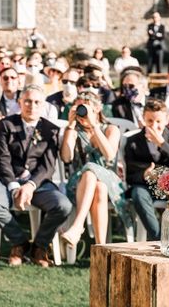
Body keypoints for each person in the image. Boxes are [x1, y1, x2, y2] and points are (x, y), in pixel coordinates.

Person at [0, 84, 72, 267]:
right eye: (27, 101)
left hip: (39, 184)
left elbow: (48, 166)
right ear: (20, 102)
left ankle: (40, 246)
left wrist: (30, 185)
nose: (32, 106)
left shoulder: (51, 129)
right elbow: (1, 158)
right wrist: (13, 185)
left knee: (63, 206)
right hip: (8, 181)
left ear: (43, 105)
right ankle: (20, 243)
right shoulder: (7, 124)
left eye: (36, 102)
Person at [59, 91, 129, 247]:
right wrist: (70, 126)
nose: (82, 112)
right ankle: (100, 247)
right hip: (78, 184)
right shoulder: (74, 130)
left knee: (94, 174)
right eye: (79, 108)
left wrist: (94, 126)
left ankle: (78, 226)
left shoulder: (111, 129)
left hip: (109, 180)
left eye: (86, 108)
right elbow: (66, 158)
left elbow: (109, 155)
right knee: (96, 182)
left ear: (97, 108)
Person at [125, 99, 169, 240]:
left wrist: (162, 143)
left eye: (158, 121)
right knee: (137, 194)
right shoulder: (133, 141)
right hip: (145, 186)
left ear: (166, 120)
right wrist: (144, 174)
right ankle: (158, 238)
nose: (154, 125)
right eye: (150, 121)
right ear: (144, 120)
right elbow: (129, 174)